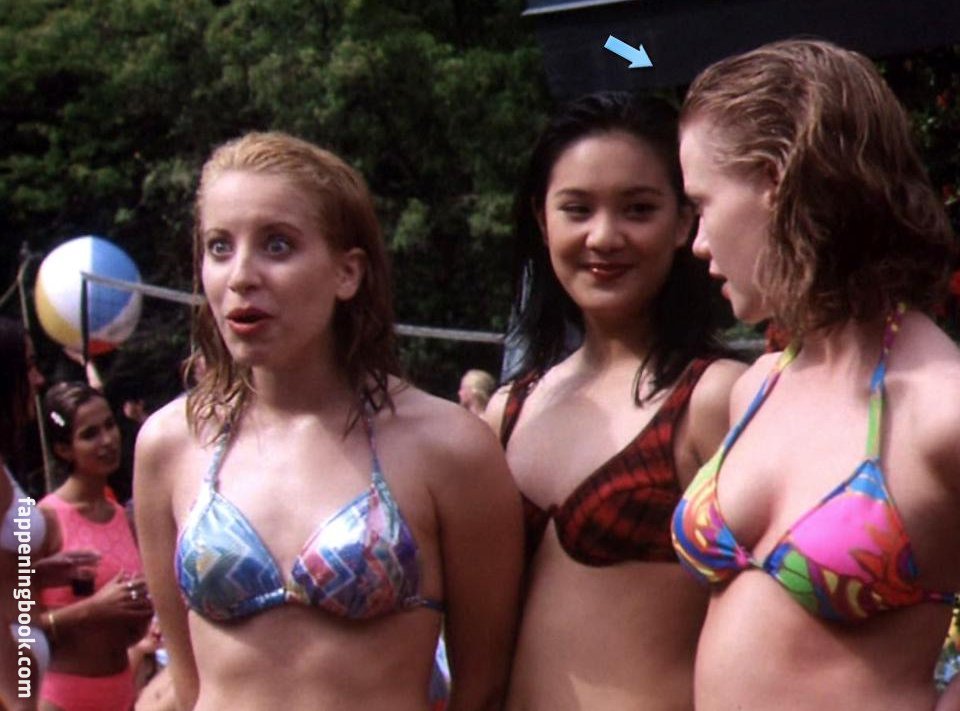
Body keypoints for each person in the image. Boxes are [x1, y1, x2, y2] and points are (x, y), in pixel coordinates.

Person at [134, 131, 522, 711]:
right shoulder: (169, 445)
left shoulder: (449, 448)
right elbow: (187, 684)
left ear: (348, 273)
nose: (241, 276)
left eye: (277, 245)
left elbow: (484, 688)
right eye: (219, 247)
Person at [671, 39, 960, 711]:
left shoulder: (939, 408)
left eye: (704, 204)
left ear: (777, 180)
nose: (698, 243)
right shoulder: (758, 385)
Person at [483, 92, 745, 710]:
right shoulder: (508, 410)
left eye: (638, 209)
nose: (604, 237)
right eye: (577, 209)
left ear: (683, 222)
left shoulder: (717, 398)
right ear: (542, 218)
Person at [37, 380, 153, 711]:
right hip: (60, 694)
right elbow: (14, 622)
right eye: (90, 434)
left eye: (109, 425)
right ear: (64, 449)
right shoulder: (42, 520)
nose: (107, 440)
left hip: (121, 690)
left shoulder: (125, 518)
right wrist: (93, 609)